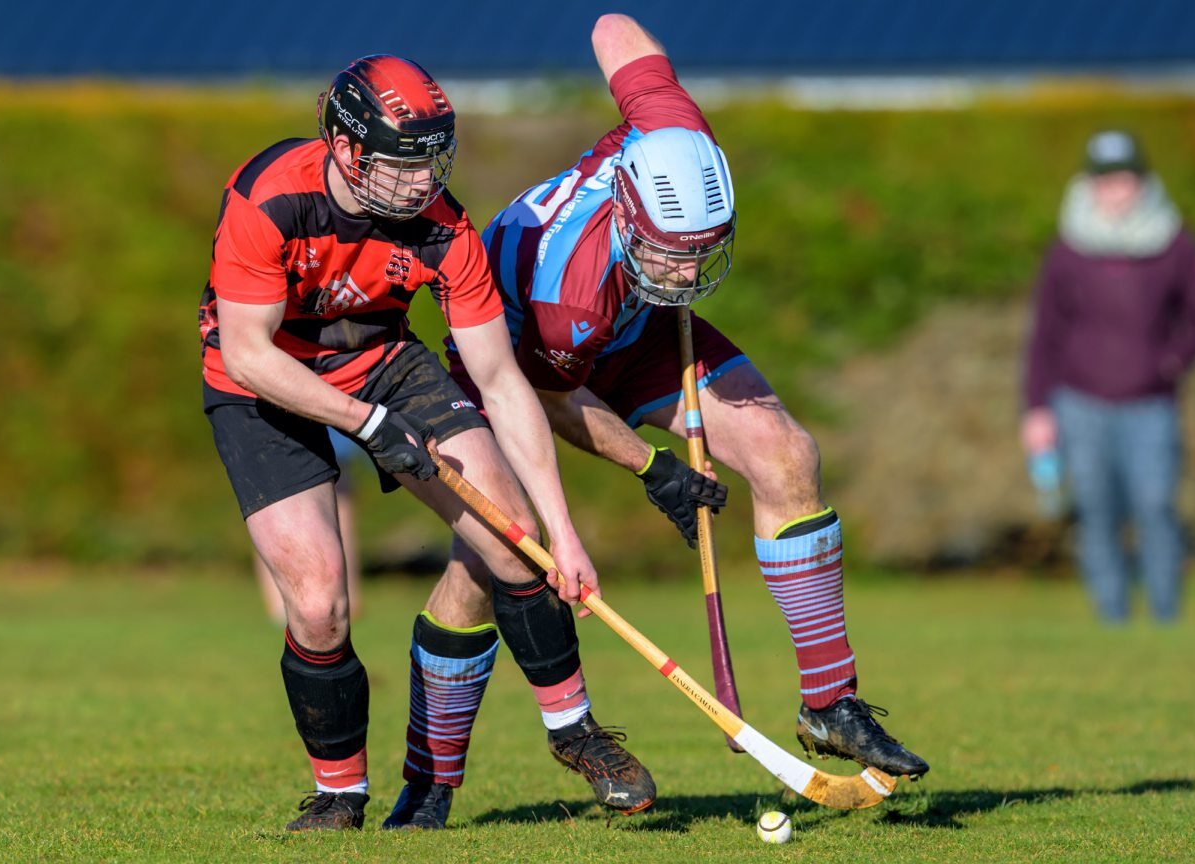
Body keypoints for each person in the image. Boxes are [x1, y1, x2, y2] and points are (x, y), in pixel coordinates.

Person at [390, 14, 930, 825]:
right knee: (488, 561)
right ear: (627, 214)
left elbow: (612, 27)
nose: (688, 268)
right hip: (518, 361)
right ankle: (430, 782)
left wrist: (630, 71)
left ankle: (831, 703)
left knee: (788, 456)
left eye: (702, 250)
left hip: (633, 328)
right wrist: (655, 469)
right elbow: (553, 398)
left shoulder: (676, 136)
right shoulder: (563, 290)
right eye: (672, 251)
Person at [198, 54, 653, 832]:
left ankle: (575, 732)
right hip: (262, 387)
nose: (426, 182)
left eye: (435, 159)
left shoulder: (445, 228)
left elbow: (502, 382)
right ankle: (340, 793)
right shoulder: (270, 196)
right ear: (348, 149)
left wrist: (564, 534)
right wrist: (368, 427)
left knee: (513, 543)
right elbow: (247, 351)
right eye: (407, 162)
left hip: (384, 363)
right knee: (317, 606)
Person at [1021, 129, 1195, 622]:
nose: (1115, 191)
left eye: (1124, 179)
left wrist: (1169, 363)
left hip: (1151, 403)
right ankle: (1112, 618)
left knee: (1155, 506)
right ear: (1090, 185)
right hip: (1080, 401)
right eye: (1104, 181)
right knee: (1096, 512)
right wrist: (1036, 408)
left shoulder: (1174, 244)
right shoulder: (1067, 249)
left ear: (1142, 182)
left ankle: (1166, 615)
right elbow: (1045, 334)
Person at [252, 429, 362, 626]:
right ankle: (280, 604)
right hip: (278, 433)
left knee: (338, 505)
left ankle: (346, 597)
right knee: (268, 510)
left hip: (326, 434)